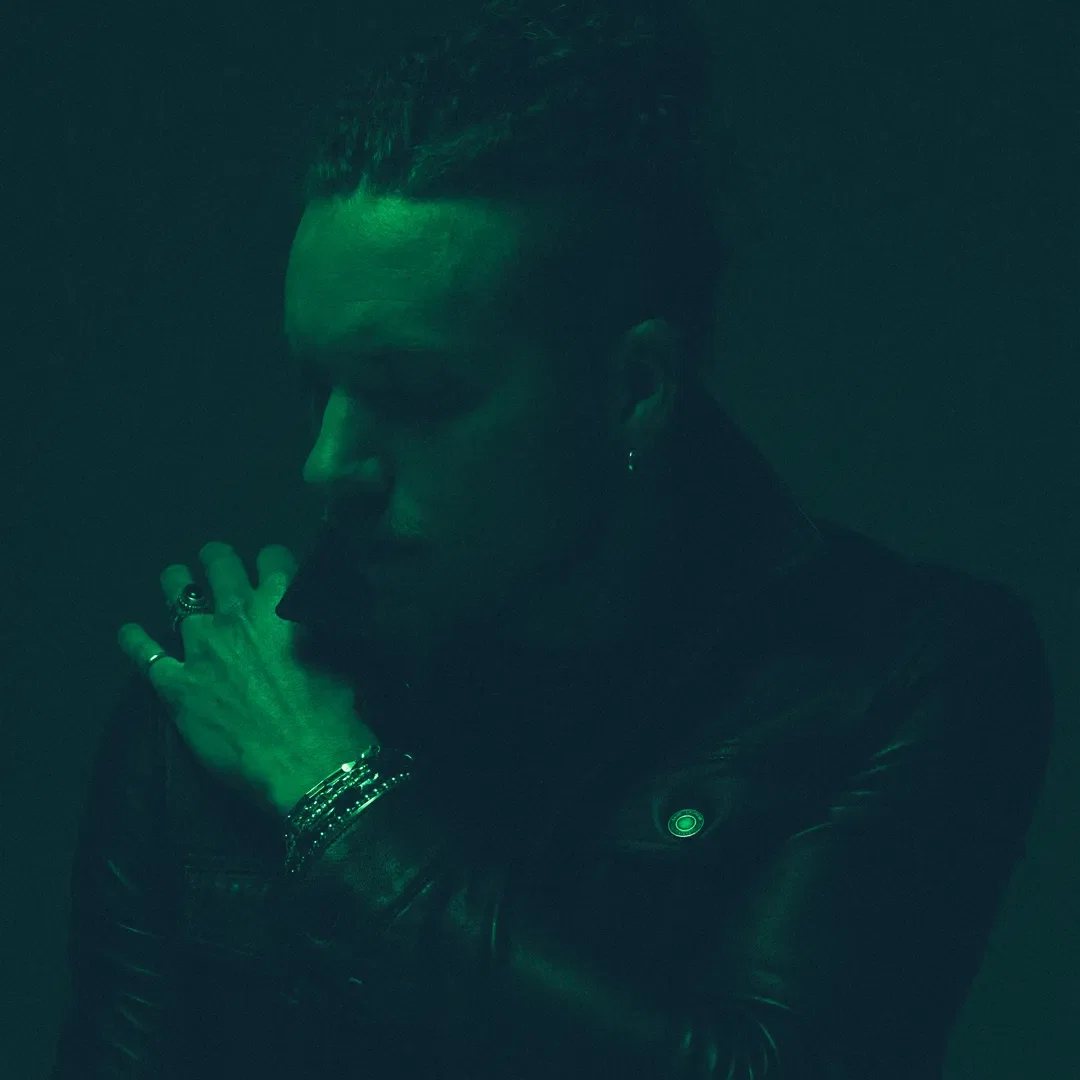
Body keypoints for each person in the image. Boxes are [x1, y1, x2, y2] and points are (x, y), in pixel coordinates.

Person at [50, 2, 1054, 1077]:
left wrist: (333, 794)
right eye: (315, 385)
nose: (327, 463)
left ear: (633, 391)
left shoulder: (909, 673)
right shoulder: (226, 705)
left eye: (413, 393)